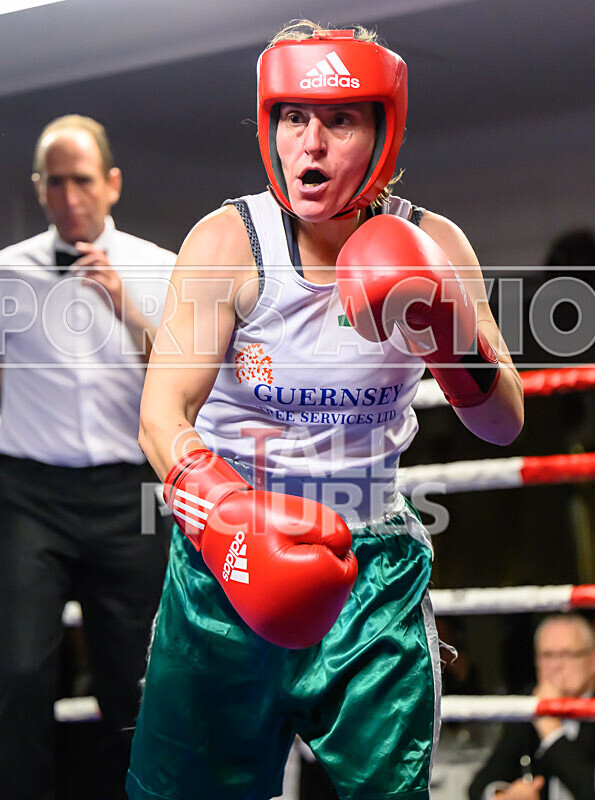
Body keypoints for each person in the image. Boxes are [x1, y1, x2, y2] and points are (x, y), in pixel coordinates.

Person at [127, 20, 524, 800]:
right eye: (290, 117)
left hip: (369, 571)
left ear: (381, 129)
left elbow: (502, 421)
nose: (308, 144)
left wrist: (449, 339)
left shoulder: (432, 243)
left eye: (337, 119)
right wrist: (226, 511)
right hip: (227, 560)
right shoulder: (228, 242)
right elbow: (160, 412)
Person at [0, 114, 176, 799]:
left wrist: (128, 309)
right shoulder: (7, 272)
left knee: (135, 676)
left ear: (112, 185)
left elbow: (184, 379)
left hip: (125, 491)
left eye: (82, 181)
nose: (69, 197)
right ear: (40, 188)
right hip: (26, 492)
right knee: (15, 673)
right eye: (55, 183)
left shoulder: (158, 267)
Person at [468, 614, 595, 800]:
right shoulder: (528, 703)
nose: (555, 665)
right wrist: (503, 796)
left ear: (592, 660)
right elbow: (480, 785)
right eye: (547, 655)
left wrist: (552, 734)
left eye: (567, 654)